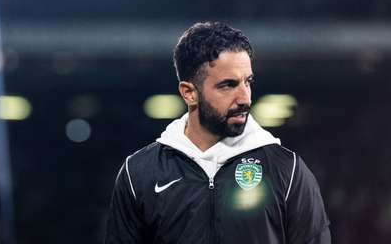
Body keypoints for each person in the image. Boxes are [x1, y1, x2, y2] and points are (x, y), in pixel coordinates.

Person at [105, 21, 331, 244]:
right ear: (189, 93)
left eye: (248, 82)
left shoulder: (287, 170)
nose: (245, 98)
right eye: (228, 85)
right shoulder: (139, 173)